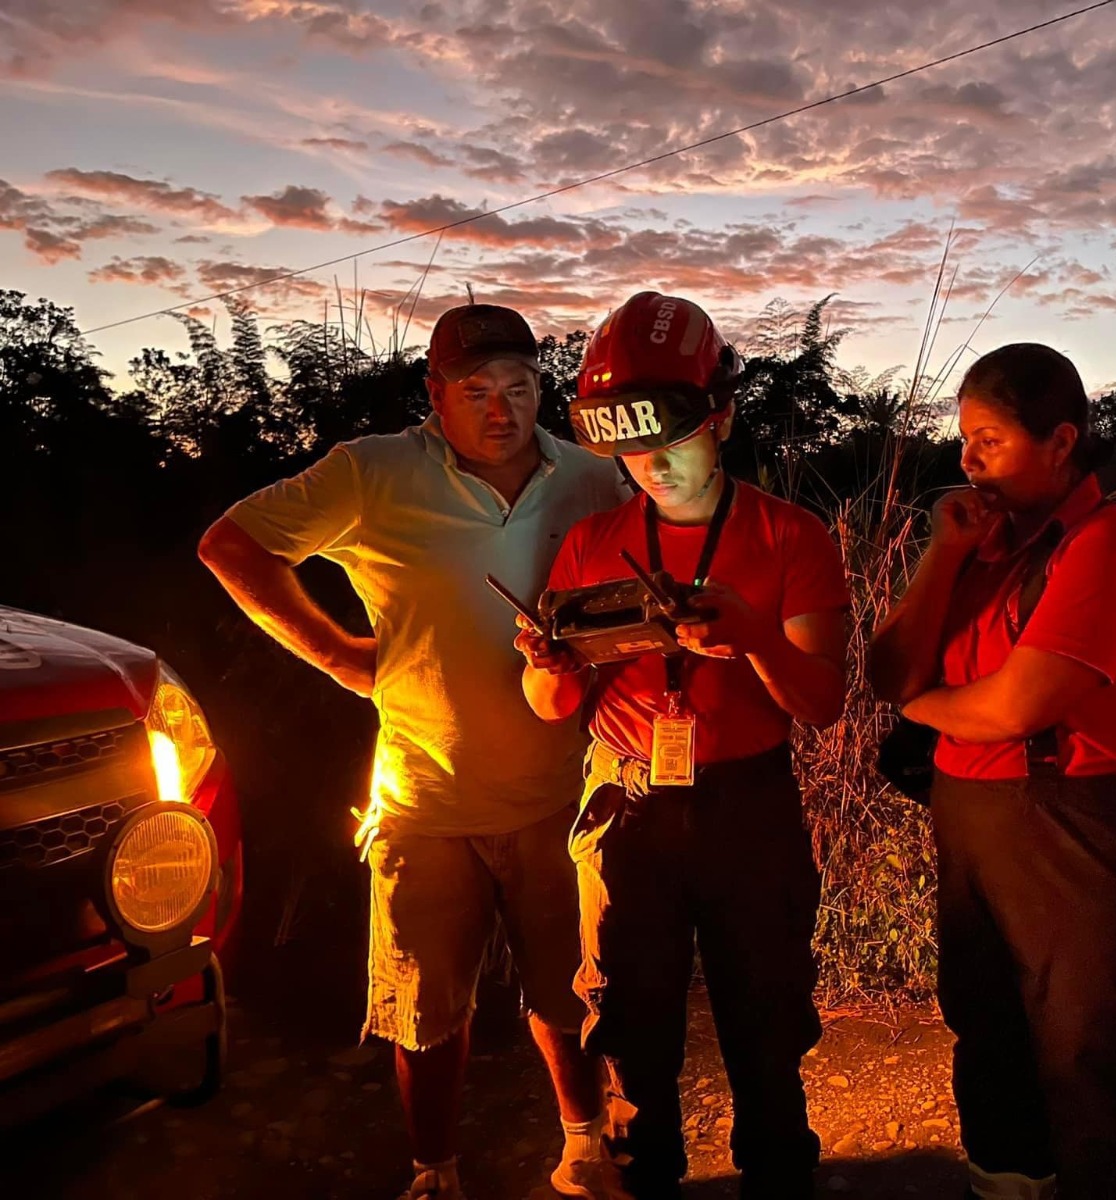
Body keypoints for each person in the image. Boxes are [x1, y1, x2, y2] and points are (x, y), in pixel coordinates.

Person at [198, 303, 634, 1200]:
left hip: (561, 787)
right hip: (423, 798)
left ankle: (586, 1144)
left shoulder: (591, 480)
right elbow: (232, 544)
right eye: (476, 391)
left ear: (542, 389)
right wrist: (341, 656)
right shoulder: (374, 473)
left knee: (571, 993)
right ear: (435, 395)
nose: (501, 409)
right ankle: (435, 1172)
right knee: (427, 1014)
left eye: (519, 387)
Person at [519, 291, 849, 1200]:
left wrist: (754, 638)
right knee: (629, 1023)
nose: (652, 464)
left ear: (724, 415)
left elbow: (821, 700)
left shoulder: (791, 537)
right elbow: (552, 704)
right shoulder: (592, 543)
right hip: (624, 804)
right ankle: (643, 1174)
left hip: (748, 804)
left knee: (766, 1020)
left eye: (672, 437)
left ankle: (778, 1175)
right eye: (629, 446)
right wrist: (548, 661)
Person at [869, 343, 1116, 1200]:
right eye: (963, 439)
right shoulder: (986, 546)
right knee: (989, 1030)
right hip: (971, 818)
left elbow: (1014, 708)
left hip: (1073, 827)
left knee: (1090, 1052)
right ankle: (1005, 1185)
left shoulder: (1109, 543)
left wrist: (922, 704)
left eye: (991, 440)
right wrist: (943, 554)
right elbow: (884, 670)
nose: (966, 461)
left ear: (1061, 440)